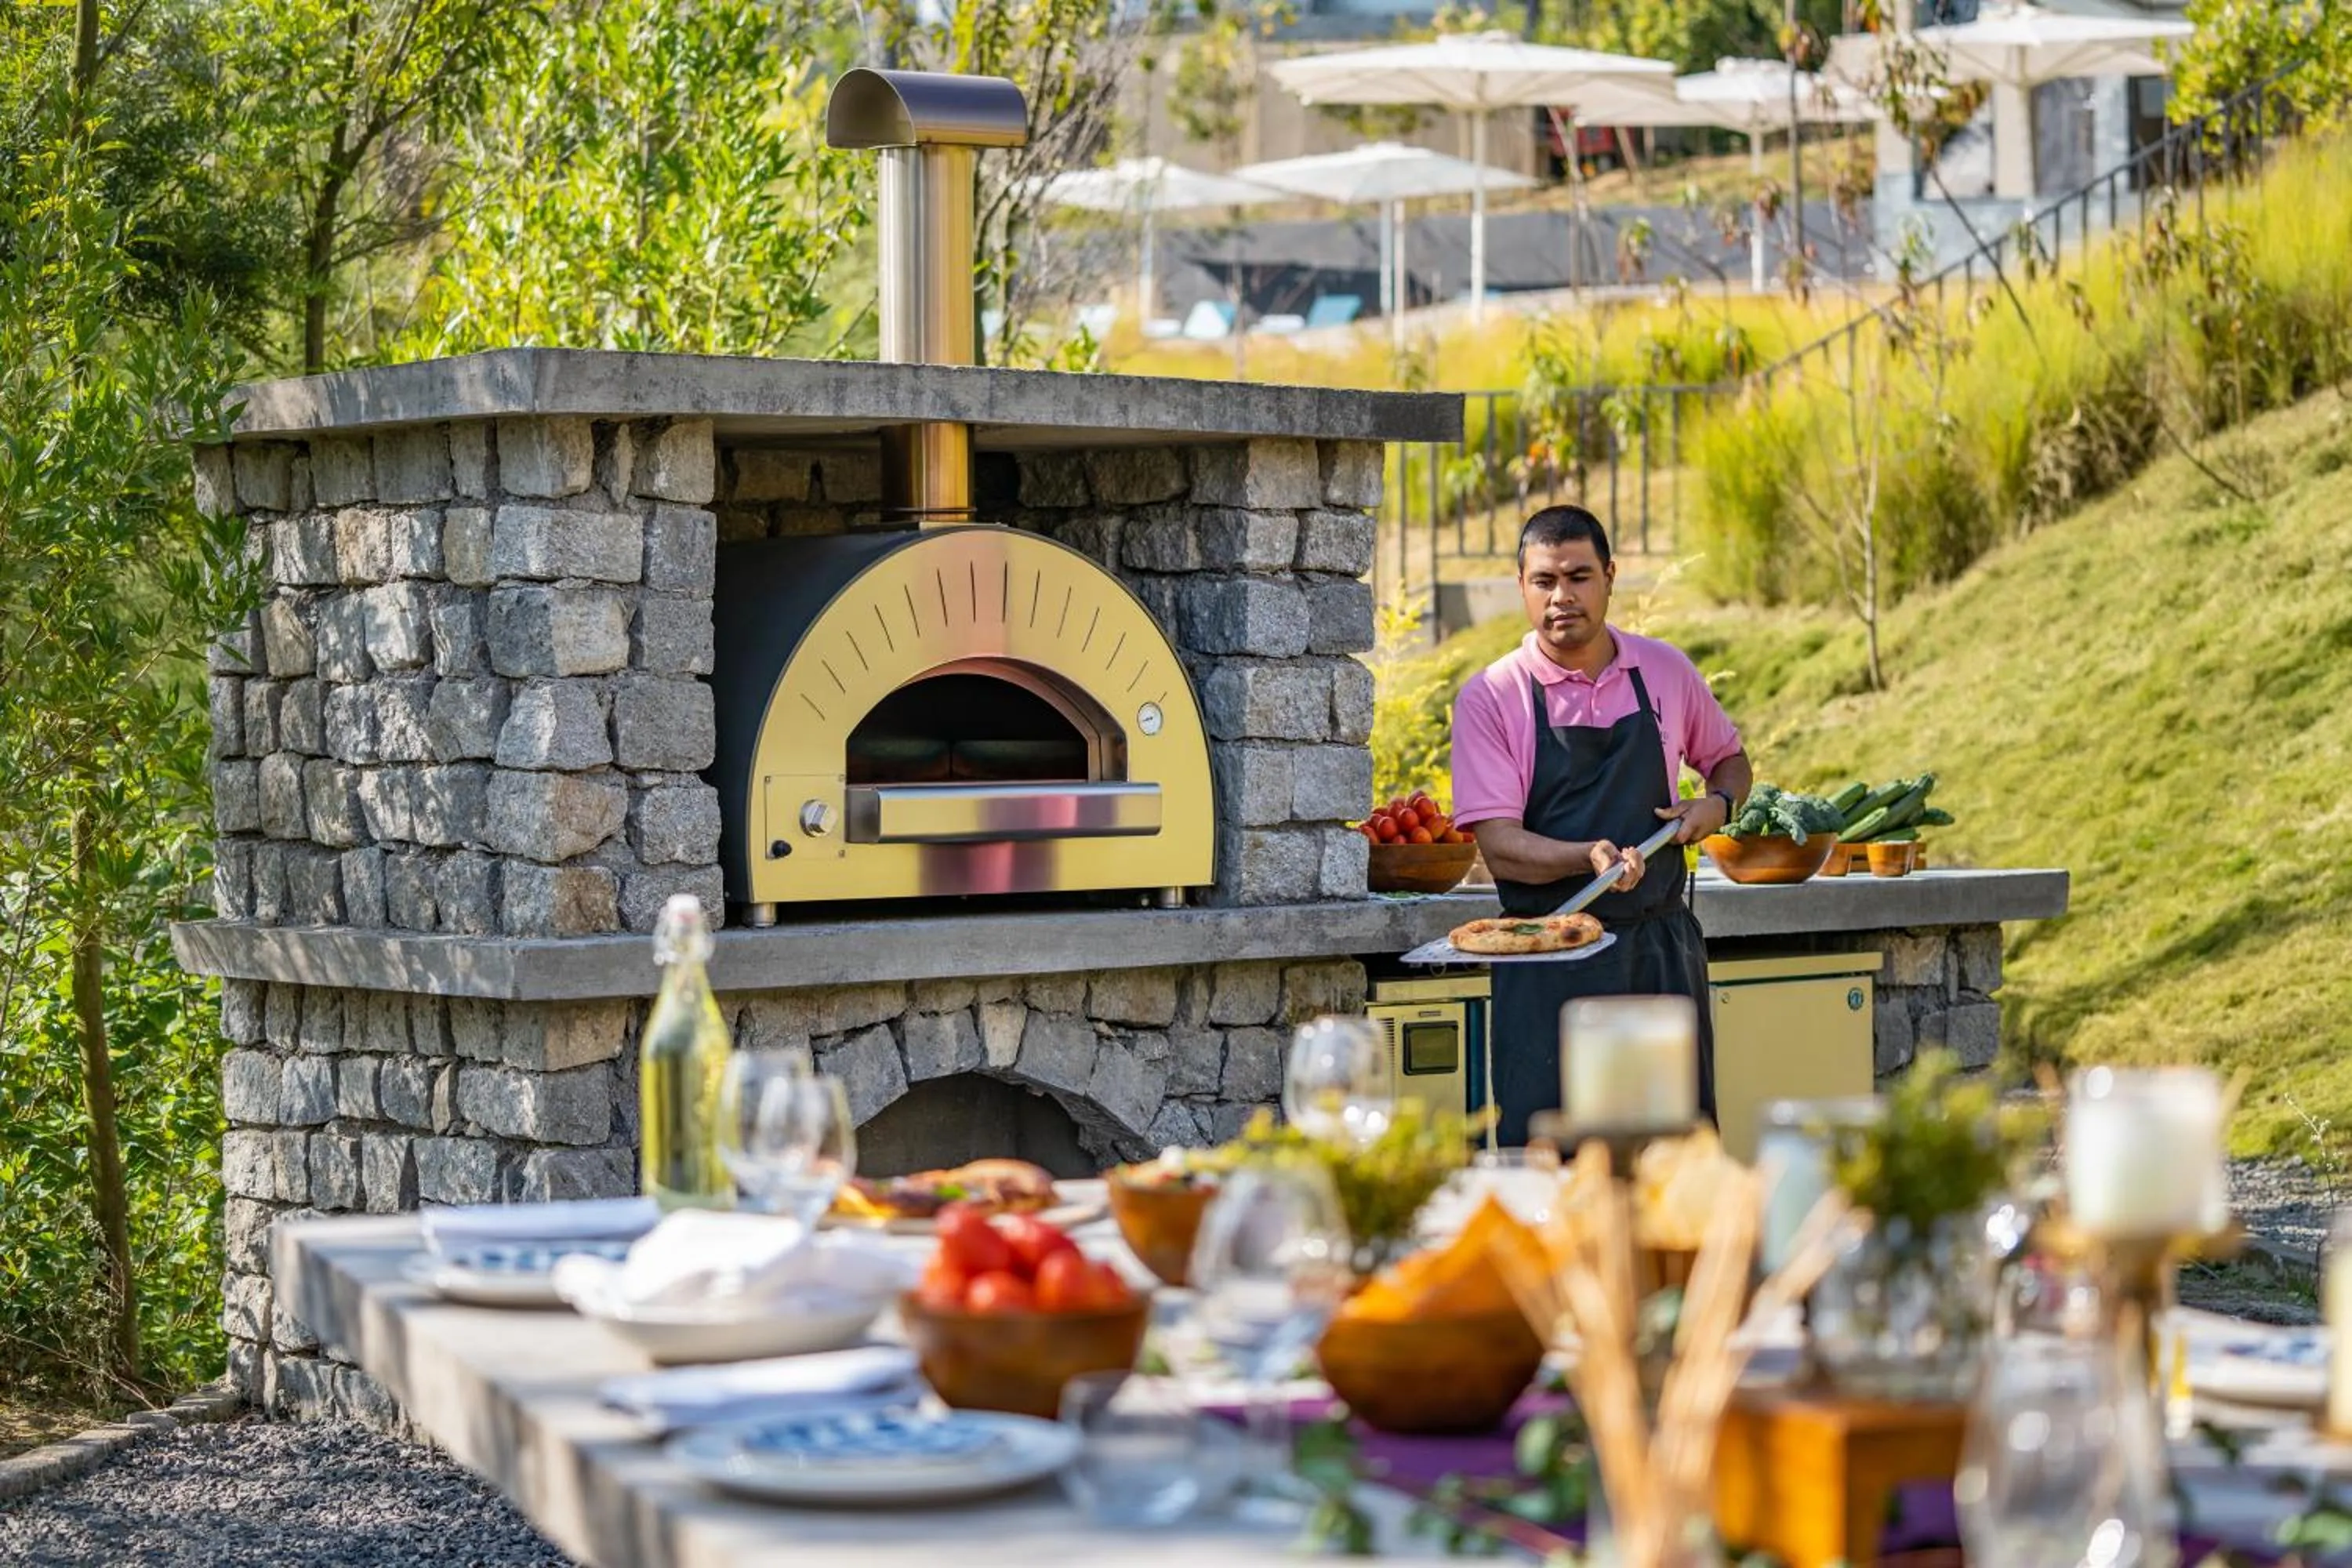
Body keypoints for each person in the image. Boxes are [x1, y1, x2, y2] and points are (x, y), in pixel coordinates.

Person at [1450, 506, 1751, 1145]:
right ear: (1522, 586)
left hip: (1659, 955)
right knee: (1553, 1162)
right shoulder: (1493, 696)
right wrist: (1587, 855)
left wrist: (1718, 805)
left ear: (1610, 577)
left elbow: (1729, 760)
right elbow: (1500, 847)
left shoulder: (1665, 670)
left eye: (1579, 577)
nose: (1562, 597)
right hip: (1545, 959)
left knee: (1675, 1162)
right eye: (1544, 581)